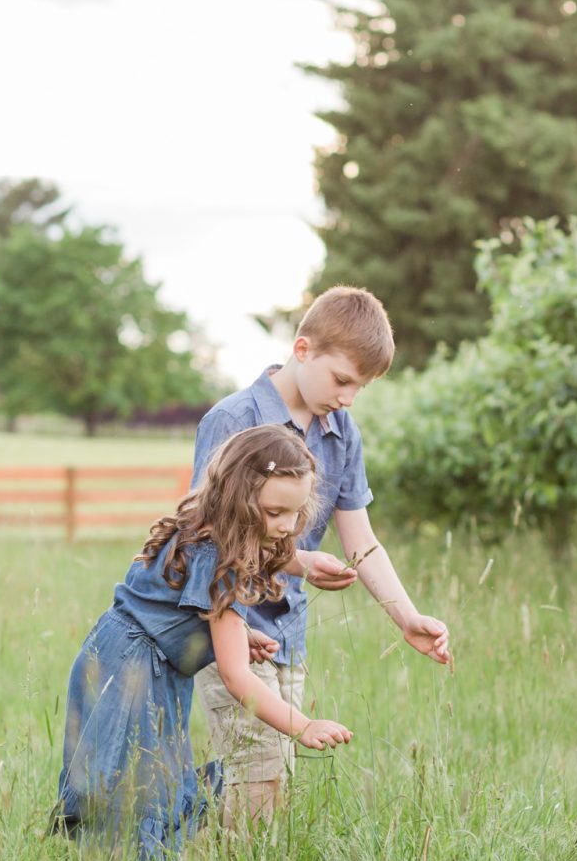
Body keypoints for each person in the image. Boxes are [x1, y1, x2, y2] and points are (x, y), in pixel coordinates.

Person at [192, 286, 453, 827]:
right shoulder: (232, 418)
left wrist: (407, 618)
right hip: (230, 625)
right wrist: (299, 562)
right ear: (303, 349)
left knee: (269, 774)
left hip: (287, 632)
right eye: (343, 380)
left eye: (361, 387)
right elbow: (207, 533)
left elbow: (360, 537)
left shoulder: (341, 432)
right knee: (256, 777)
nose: (349, 397)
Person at [53, 424, 352, 861]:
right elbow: (236, 678)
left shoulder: (205, 529)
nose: (287, 526)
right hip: (134, 671)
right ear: (239, 498)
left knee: (136, 778)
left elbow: (171, 604)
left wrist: (235, 633)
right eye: (274, 512)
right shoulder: (220, 560)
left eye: (295, 512)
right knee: (134, 782)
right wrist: (301, 726)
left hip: (116, 653)